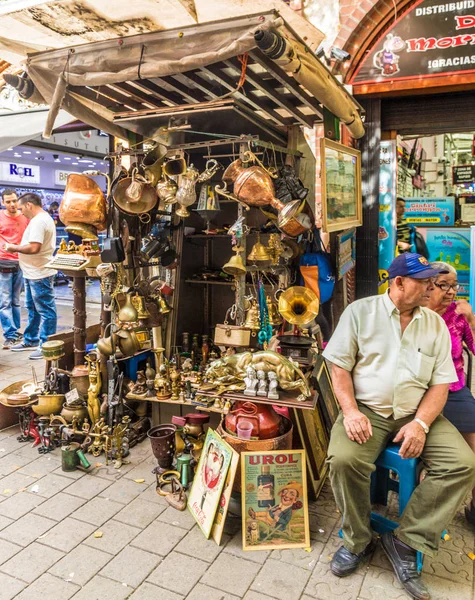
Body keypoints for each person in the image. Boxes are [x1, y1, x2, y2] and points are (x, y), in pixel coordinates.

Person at [322, 253, 475, 600]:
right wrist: (350, 411)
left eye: (431, 281)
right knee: (344, 460)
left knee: (462, 464)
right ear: (398, 283)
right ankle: (357, 540)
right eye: (423, 281)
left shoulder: (433, 324)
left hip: (416, 411)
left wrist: (421, 423)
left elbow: (440, 384)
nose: (430, 288)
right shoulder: (360, 313)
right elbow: (339, 368)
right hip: (368, 410)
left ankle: (406, 540)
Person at [426, 262, 475, 525]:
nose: (451, 292)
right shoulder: (413, 313)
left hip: (453, 389)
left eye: (454, 285)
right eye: (443, 285)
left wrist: (472, 320)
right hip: (419, 392)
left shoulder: (457, 315)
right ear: (427, 286)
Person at [3, 193, 57, 360]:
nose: (21, 212)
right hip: (32, 272)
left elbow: (34, 248)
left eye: (21, 208)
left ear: (28, 205)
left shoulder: (39, 221)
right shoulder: (39, 219)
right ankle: (31, 339)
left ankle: (46, 345)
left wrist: (13, 247)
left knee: (45, 310)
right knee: (33, 308)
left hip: (39, 273)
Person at [0, 189, 28, 348]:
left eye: (14, 201)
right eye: (8, 201)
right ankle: (9, 334)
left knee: (16, 300)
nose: (12, 204)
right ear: (3, 202)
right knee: (4, 302)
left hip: (21, 263)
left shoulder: (25, 217)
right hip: (3, 262)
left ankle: (15, 331)